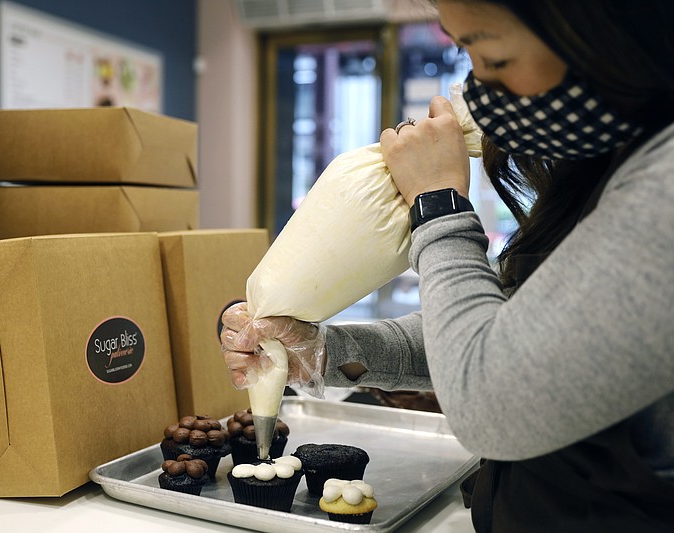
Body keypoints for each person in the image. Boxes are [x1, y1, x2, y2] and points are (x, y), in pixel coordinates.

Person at [221, 1, 674, 531]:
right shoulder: (613, 161)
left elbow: (496, 401)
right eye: (467, 55)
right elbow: (507, 336)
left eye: (495, 58)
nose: (477, 90)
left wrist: (437, 208)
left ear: (606, 38)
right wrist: (323, 351)